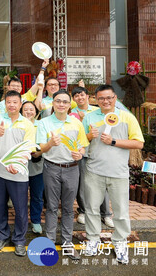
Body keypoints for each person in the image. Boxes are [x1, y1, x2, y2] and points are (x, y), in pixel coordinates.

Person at [82, 85, 144, 264]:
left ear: (115, 98)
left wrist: (114, 141)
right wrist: (88, 136)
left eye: (109, 97)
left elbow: (138, 143)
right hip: (94, 170)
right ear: (95, 99)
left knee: (121, 211)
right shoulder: (89, 117)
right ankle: (93, 239)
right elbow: (81, 141)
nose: (105, 101)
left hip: (118, 172)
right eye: (101, 98)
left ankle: (120, 241)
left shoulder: (127, 117)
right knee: (92, 209)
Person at [37, 90, 88, 260]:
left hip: (72, 168)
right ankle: (49, 243)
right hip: (51, 167)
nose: (61, 104)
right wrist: (50, 144)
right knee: (51, 207)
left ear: (69, 104)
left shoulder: (76, 123)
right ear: (53, 103)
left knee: (68, 208)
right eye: (58, 101)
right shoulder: (44, 123)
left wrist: (80, 153)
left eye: (65, 102)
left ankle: (67, 243)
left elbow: (82, 146)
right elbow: (40, 149)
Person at [0, 90, 35, 257]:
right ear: (5, 103)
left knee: (20, 208)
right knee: (0, 206)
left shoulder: (27, 124)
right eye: (9, 102)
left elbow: (29, 148)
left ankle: (19, 240)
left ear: (20, 103)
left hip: (18, 173)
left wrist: (17, 164)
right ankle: (2, 235)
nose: (12, 105)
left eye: (15, 102)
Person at [71, 86, 113, 227]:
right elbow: (76, 135)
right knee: (82, 184)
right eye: (76, 96)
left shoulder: (98, 111)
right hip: (83, 153)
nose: (80, 98)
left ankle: (106, 214)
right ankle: (83, 211)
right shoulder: (71, 114)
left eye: (82, 94)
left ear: (88, 96)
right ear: (73, 99)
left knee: (102, 183)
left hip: (98, 153)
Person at [20, 101, 44, 234]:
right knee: (21, 197)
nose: (28, 112)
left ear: (36, 111)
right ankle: (22, 220)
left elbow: (45, 143)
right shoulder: (17, 124)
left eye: (31, 109)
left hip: (37, 164)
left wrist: (39, 152)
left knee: (37, 196)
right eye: (25, 109)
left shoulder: (41, 125)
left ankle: (36, 221)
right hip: (21, 165)